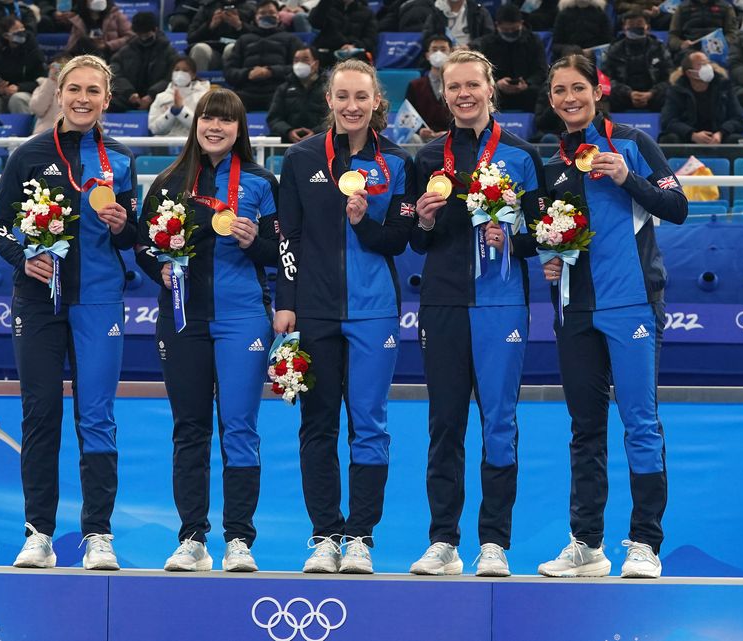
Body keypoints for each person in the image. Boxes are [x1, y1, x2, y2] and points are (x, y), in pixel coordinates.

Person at [0, 54, 138, 571]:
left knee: (97, 418)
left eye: (93, 91)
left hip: (98, 302)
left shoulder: (119, 158)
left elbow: (135, 232)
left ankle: (98, 534)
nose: (82, 98)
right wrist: (24, 256)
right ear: (59, 91)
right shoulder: (27, 155)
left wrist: (123, 225)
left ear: (106, 99)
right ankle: (38, 534)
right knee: (41, 414)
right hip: (37, 304)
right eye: (74, 88)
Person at [538, 54, 687, 579]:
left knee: (640, 423)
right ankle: (587, 544)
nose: (568, 99)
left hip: (632, 304)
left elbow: (677, 208)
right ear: (551, 98)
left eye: (577, 88)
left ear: (596, 91)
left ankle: (645, 543)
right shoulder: (550, 159)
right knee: (585, 427)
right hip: (574, 309)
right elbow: (545, 228)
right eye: (559, 91)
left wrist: (627, 177)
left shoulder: (631, 144)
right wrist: (548, 256)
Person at [275, 58, 416, 574]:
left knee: (370, 424)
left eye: (361, 97)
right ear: (329, 101)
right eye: (342, 97)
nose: (352, 106)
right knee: (317, 424)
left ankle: (360, 536)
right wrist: (285, 301)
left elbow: (399, 242)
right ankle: (323, 536)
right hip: (312, 312)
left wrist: (363, 223)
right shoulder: (300, 157)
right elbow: (286, 236)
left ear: (377, 100)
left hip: (375, 313)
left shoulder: (400, 162)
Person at [408, 50, 545, 578]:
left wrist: (513, 232)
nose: (464, 95)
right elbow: (418, 245)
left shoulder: (521, 154)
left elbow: (541, 237)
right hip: (442, 301)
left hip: (502, 302)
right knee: (445, 424)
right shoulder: (426, 157)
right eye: (454, 87)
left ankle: (494, 543)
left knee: (499, 422)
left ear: (491, 89)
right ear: (445, 95)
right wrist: (420, 221)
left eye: (473, 85)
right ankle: (443, 541)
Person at [134, 88, 279, 573]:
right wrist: (161, 268)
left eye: (226, 121)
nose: (215, 128)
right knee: (189, 429)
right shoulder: (170, 181)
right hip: (182, 320)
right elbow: (142, 247)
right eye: (207, 119)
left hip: (243, 319)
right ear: (195, 124)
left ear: (241, 129)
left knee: (239, 427)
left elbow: (282, 254)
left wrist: (256, 240)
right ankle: (192, 538)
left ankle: (239, 539)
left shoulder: (261, 182)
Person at [659, 51, 743, 157]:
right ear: (689, 73)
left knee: (737, 141)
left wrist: (721, 133)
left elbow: (738, 119)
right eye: (702, 64)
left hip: (718, 139)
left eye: (708, 63)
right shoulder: (676, 90)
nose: (707, 67)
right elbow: (667, 121)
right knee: (670, 140)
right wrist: (692, 135)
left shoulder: (724, 87)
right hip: (688, 140)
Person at [224, 0, 303, 111]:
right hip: (246, 93)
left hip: (279, 92)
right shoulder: (243, 40)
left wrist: (271, 71)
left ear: (278, 16)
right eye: (262, 13)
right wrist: (248, 73)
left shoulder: (291, 39)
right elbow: (229, 72)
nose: (267, 16)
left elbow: (299, 69)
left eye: (271, 12)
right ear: (256, 17)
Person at [474, 3, 548, 113]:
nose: (510, 33)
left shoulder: (534, 41)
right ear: (497, 26)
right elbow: (482, 72)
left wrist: (527, 83)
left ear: (521, 24)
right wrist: (497, 83)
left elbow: (541, 70)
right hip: (497, 90)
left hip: (527, 90)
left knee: (543, 93)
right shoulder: (487, 43)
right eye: (505, 30)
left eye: (514, 29)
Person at [604, 10, 674, 112]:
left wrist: (652, 93)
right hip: (624, 95)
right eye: (631, 25)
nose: (635, 28)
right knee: (607, 93)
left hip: (653, 94)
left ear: (648, 28)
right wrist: (629, 93)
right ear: (624, 29)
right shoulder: (615, 49)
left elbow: (670, 76)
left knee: (670, 93)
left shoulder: (659, 48)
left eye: (639, 24)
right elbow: (607, 78)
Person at [108, 11, 178, 113]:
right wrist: (129, 93)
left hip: (157, 98)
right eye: (140, 35)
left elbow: (171, 77)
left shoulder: (168, 51)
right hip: (128, 97)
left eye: (147, 35)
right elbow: (114, 72)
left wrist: (152, 94)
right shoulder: (127, 49)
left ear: (155, 30)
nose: (143, 38)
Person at [0, 16, 46, 115]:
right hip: (5, 95)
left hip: (29, 94)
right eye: (17, 30)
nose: (22, 31)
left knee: (17, 98)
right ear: (6, 36)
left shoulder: (34, 52)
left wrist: (20, 87)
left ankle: (23, 130)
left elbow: (42, 81)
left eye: (22, 28)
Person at [266, 45, 329, 143]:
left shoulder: (328, 88)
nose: (300, 64)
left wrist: (316, 133)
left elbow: (333, 118)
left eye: (305, 59)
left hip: (322, 142)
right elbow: (274, 119)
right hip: (289, 144)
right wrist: (289, 132)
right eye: (296, 60)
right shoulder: (283, 89)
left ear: (315, 64)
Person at [403, 34, 453, 142]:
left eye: (443, 49)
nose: (439, 53)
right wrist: (420, 131)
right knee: (412, 138)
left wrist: (450, 133)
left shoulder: (458, 85)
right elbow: (408, 116)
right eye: (434, 50)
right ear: (427, 55)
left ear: (451, 53)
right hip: (423, 139)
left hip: (452, 138)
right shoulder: (415, 86)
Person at [149, 56, 212, 136]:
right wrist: (171, 113)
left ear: (193, 75)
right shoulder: (161, 97)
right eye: (177, 70)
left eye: (185, 70)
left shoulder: (205, 97)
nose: (180, 73)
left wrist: (181, 111)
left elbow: (204, 126)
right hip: (165, 145)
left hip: (192, 144)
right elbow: (154, 129)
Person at [187, 0, 254, 71]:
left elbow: (258, 36)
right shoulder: (207, 7)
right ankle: (200, 81)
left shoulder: (250, 9)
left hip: (238, 51)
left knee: (231, 48)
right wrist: (210, 26)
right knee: (200, 48)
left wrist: (239, 26)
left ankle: (234, 79)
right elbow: (191, 38)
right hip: (212, 50)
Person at [308, 0, 378, 67]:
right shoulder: (327, 7)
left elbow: (370, 39)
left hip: (353, 52)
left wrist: (354, 45)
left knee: (358, 58)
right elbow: (315, 23)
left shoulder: (367, 12)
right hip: (328, 51)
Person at [57, 0, 133, 60]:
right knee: (83, 41)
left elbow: (131, 37)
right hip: (86, 56)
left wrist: (107, 45)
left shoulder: (116, 15)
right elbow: (72, 44)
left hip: (110, 55)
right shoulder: (79, 19)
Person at [668, 0, 738, 61]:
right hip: (691, 50)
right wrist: (681, 44)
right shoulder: (682, 8)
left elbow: (732, 34)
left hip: (717, 48)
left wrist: (723, 43)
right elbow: (673, 36)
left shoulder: (726, 7)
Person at [30, 54, 71, 134]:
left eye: (63, 67)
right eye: (57, 66)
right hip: (43, 134)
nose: (59, 70)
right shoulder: (42, 86)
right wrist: (50, 82)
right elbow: (38, 110)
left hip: (70, 135)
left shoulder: (79, 89)